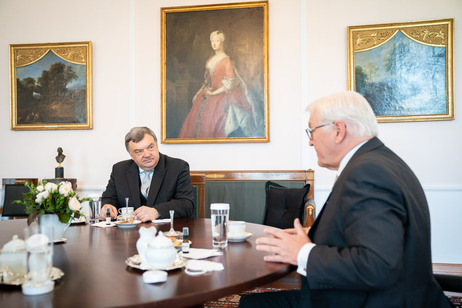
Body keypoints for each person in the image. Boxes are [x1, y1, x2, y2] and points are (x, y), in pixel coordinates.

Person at [239, 91, 452, 308]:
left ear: (339, 131)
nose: (311, 142)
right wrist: (313, 236)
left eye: (312, 131)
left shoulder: (367, 173)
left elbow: (377, 265)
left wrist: (302, 252)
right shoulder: (380, 161)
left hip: (371, 301)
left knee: (252, 305)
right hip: (380, 295)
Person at [101, 127, 194, 222]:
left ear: (157, 146)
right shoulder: (119, 170)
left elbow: (186, 204)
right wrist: (107, 207)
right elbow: (109, 198)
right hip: (129, 233)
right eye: (139, 151)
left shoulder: (178, 167)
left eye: (150, 147)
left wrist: (156, 211)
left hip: (165, 232)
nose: (147, 154)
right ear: (131, 155)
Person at [178, 30, 257, 138]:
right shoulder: (210, 59)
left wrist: (213, 93)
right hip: (207, 93)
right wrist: (198, 93)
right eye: (212, 41)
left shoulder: (226, 60)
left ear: (222, 42)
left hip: (222, 95)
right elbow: (207, 80)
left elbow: (229, 83)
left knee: (213, 122)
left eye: (217, 41)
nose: (214, 43)